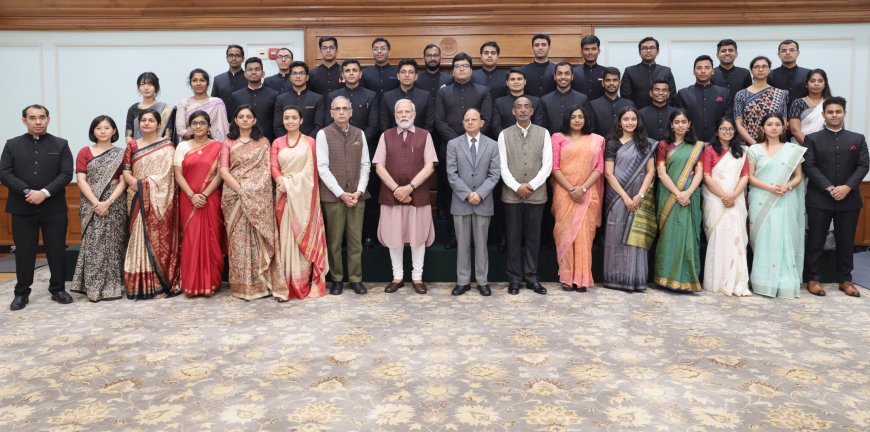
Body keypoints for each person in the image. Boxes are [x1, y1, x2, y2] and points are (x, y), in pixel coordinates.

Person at [1, 105, 74, 310]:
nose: (38, 122)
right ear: (24, 120)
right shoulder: (11, 145)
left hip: (54, 207)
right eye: (33, 118)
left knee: (56, 250)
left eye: (42, 117)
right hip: (21, 208)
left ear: (48, 119)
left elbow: (66, 174)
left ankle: (58, 289)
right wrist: (26, 191)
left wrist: (44, 193)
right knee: (24, 252)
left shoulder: (60, 144)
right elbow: (5, 173)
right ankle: (21, 293)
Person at [803, 97, 869, 297]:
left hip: (849, 199)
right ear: (823, 114)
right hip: (819, 198)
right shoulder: (812, 139)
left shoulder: (857, 139)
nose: (834, 115)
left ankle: (845, 280)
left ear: (844, 114)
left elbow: (864, 165)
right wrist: (830, 188)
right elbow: (809, 166)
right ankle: (813, 279)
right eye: (830, 112)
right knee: (815, 240)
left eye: (838, 112)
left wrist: (848, 187)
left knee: (845, 241)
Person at [220, 105, 285, 301]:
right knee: (238, 242)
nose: (245, 119)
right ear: (236, 120)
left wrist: (251, 191)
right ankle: (242, 286)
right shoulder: (229, 142)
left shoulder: (264, 142)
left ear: (255, 120)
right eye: (241, 116)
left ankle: (262, 284)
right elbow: (223, 171)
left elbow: (266, 172)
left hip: (259, 197)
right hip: (235, 197)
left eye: (249, 116)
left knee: (258, 240)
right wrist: (241, 190)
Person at [374, 99, 437, 294]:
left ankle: (417, 278)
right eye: (400, 112)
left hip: (417, 195)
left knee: (418, 237)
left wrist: (409, 188)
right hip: (391, 195)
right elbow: (378, 166)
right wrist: (396, 190)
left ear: (414, 115)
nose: (403, 115)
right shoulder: (386, 136)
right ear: (395, 116)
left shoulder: (425, 136)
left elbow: (430, 166)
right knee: (394, 237)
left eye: (407, 112)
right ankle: (398, 277)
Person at [435, 53, 493, 247]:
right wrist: (458, 142)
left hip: (479, 150)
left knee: (477, 188)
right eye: (457, 66)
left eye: (465, 66)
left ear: (471, 69)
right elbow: (439, 121)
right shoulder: (443, 92)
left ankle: (479, 239)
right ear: (452, 70)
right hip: (449, 149)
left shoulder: (483, 91)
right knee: (453, 192)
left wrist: (470, 139)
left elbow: (487, 120)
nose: (461, 69)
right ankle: (454, 236)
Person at [122, 108, 180, 299]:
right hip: (136, 197)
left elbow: (167, 176)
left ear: (158, 124)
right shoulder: (132, 145)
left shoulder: (167, 146)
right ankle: (139, 285)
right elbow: (126, 170)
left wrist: (143, 184)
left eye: (151, 120)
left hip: (159, 200)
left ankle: (159, 286)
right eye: (143, 120)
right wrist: (133, 182)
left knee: (158, 239)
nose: (146, 123)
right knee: (136, 237)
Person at [272, 106, 329, 300]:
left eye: (294, 118)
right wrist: (281, 180)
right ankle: (285, 284)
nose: (290, 121)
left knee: (303, 235)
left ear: (301, 120)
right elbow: (273, 166)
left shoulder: (310, 142)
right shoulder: (277, 142)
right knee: (286, 237)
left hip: (305, 198)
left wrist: (289, 183)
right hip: (283, 196)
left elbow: (312, 171)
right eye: (286, 118)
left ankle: (303, 283)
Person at [316, 96, 371, 295]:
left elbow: (365, 164)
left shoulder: (359, 133)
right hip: (333, 197)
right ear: (331, 112)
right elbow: (322, 167)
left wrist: (359, 191)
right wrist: (341, 193)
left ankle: (356, 279)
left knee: (356, 240)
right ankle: (337, 279)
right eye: (337, 109)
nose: (341, 112)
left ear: (351, 111)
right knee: (335, 240)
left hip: (357, 196)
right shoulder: (324, 134)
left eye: (344, 108)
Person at [747, 113, 806, 298]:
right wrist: (770, 187)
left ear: (784, 127)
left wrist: (787, 186)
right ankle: (762, 282)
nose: (773, 127)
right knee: (764, 239)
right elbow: (750, 177)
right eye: (769, 124)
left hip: (784, 198)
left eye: (777, 124)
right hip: (761, 198)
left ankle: (785, 283)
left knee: (784, 237)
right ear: (762, 128)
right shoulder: (754, 150)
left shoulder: (792, 149)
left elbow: (798, 176)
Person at [498, 97, 552, 295]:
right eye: (518, 107)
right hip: (511, 196)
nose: (522, 110)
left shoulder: (544, 133)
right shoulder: (504, 135)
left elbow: (547, 165)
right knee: (513, 238)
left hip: (536, 195)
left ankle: (531, 277)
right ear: (513, 112)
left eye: (526, 107)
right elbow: (502, 166)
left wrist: (531, 185)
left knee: (532, 239)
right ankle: (514, 279)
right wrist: (516, 187)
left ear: (532, 111)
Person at [70, 115, 127, 302]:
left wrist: (108, 202)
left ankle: (113, 287)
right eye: (98, 128)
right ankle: (93, 288)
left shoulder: (121, 153)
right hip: (90, 204)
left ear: (114, 131)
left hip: (115, 204)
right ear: (93, 131)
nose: (102, 131)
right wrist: (96, 203)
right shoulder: (85, 152)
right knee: (94, 246)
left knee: (113, 245)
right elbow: (81, 179)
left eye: (106, 128)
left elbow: (123, 181)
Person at [446, 108, 501, 296]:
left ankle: (482, 281)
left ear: (481, 123)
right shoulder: (453, 144)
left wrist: (480, 193)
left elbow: (494, 174)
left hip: (483, 201)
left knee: (481, 244)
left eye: (474, 119)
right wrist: (468, 194)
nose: (470, 122)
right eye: (466, 120)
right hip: (461, 201)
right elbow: (451, 175)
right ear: (462, 123)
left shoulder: (492, 145)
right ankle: (463, 281)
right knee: (462, 244)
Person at [602, 107, 657, 292]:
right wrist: (626, 197)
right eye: (626, 119)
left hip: (639, 197)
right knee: (615, 235)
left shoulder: (646, 144)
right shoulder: (612, 144)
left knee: (636, 238)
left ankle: (635, 278)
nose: (630, 122)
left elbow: (651, 171)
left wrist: (639, 196)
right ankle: (615, 278)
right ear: (620, 122)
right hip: (618, 198)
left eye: (633, 119)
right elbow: (609, 174)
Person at [327, 59, 380, 249]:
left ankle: (367, 236)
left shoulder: (370, 95)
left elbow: (374, 124)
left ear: (360, 73)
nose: (351, 73)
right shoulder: (334, 96)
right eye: (347, 70)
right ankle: (340, 239)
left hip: (363, 149)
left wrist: (358, 140)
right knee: (339, 195)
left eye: (354, 70)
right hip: (337, 153)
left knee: (365, 196)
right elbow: (330, 125)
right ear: (342, 74)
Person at [551, 105, 605, 292]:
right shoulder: (557, 138)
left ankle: (581, 278)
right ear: (567, 119)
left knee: (583, 236)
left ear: (585, 119)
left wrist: (582, 188)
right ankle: (567, 277)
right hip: (564, 194)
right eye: (573, 117)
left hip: (587, 193)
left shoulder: (595, 140)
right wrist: (571, 189)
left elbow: (599, 168)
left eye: (580, 117)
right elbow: (554, 167)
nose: (576, 120)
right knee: (565, 234)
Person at [174, 110, 226, 297]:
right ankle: (192, 284)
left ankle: (211, 282)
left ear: (209, 126)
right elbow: (178, 174)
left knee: (213, 239)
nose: (198, 126)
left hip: (210, 198)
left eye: (202, 123)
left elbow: (221, 173)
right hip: (189, 200)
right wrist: (192, 195)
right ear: (189, 126)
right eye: (194, 123)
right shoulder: (182, 147)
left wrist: (203, 194)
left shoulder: (218, 146)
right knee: (191, 240)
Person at [653, 109, 704, 292]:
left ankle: (687, 279)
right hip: (669, 196)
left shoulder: (698, 146)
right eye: (677, 122)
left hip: (690, 197)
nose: (680, 125)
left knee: (688, 236)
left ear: (689, 124)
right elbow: (661, 172)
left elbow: (699, 173)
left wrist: (688, 193)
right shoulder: (664, 145)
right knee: (668, 236)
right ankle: (665, 278)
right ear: (671, 124)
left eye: (684, 122)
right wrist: (678, 193)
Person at [700, 117, 751, 296]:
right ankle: (716, 281)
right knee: (717, 238)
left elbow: (745, 176)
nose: (727, 132)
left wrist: (734, 196)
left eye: (730, 129)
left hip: (735, 199)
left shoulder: (742, 151)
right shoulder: (708, 149)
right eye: (723, 129)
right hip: (715, 199)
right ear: (717, 131)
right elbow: (706, 176)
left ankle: (736, 280)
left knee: (735, 238)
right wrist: (723, 196)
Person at [734, 56, 788, 144]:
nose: (760, 69)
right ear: (751, 70)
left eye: (764, 66)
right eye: (756, 67)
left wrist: (771, 143)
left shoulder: (780, 94)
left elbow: (783, 121)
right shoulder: (741, 94)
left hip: (774, 144)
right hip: (749, 145)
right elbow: (738, 124)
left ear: (769, 70)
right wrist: (754, 145)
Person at [676, 55, 731, 142]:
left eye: (707, 67)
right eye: (699, 68)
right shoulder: (683, 93)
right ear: (694, 71)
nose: (703, 71)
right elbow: (679, 120)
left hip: (717, 142)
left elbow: (728, 118)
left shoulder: (724, 93)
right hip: (690, 142)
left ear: (712, 71)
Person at [231, 57, 280, 142]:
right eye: (250, 69)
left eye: (257, 69)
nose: (253, 72)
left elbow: (277, 122)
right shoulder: (236, 96)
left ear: (263, 73)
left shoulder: (274, 95)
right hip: (243, 141)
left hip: (268, 141)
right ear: (245, 74)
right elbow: (233, 121)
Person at [273, 61, 326, 138]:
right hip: (286, 145)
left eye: (301, 73)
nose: (298, 76)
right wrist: (288, 142)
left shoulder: (317, 98)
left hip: (310, 143)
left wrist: (307, 141)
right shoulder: (281, 99)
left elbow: (319, 126)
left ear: (307, 77)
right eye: (294, 73)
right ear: (290, 77)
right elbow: (278, 127)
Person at [175, 68, 230, 143]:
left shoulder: (217, 102)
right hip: (191, 145)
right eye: (194, 80)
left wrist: (207, 141)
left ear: (207, 83)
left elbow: (224, 127)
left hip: (214, 145)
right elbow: (180, 129)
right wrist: (197, 138)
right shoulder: (184, 103)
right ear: (190, 83)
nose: (198, 83)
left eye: (202, 80)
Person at [620, 37, 676, 109]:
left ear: (658, 51)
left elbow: (672, 96)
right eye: (644, 48)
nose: (648, 51)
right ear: (640, 52)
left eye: (652, 48)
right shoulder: (630, 71)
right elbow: (626, 98)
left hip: (663, 115)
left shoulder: (666, 71)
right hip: (637, 115)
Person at [381, 59, 436, 131]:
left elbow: (429, 124)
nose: (407, 75)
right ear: (398, 76)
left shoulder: (425, 96)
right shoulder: (387, 97)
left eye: (411, 72)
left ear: (416, 76)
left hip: (419, 140)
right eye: (403, 72)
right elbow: (384, 126)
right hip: (393, 140)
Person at [492, 68, 545, 138]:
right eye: (512, 79)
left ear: (525, 81)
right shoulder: (499, 102)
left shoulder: (536, 101)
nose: (516, 82)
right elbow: (496, 127)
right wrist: (508, 140)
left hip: (531, 143)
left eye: (519, 79)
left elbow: (539, 126)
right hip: (506, 142)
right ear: (507, 82)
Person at [125, 72, 176, 144]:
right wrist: (136, 150)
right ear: (139, 88)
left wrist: (153, 150)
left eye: (150, 84)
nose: (146, 88)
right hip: (137, 151)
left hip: (160, 151)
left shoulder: (166, 109)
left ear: (156, 87)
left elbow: (168, 136)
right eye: (142, 84)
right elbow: (128, 135)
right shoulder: (133, 109)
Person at [540, 62, 589, 134]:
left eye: (567, 73)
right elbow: (541, 127)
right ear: (554, 77)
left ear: (572, 77)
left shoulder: (583, 99)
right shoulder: (545, 100)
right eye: (559, 74)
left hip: (576, 143)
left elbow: (588, 126)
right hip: (551, 143)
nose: (563, 77)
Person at [788, 69, 832, 145]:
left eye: (820, 81)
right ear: (806, 84)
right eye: (812, 81)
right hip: (801, 146)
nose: (816, 84)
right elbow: (795, 130)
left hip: (826, 147)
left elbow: (836, 127)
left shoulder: (830, 103)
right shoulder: (798, 103)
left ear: (825, 84)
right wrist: (810, 148)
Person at [590, 67, 635, 137]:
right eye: (608, 80)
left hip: (625, 146)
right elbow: (591, 132)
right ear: (603, 83)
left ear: (619, 83)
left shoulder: (629, 104)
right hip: (601, 146)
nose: (611, 83)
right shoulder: (593, 105)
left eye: (615, 80)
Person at [768, 40, 810, 107]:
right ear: (778, 54)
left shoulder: (809, 74)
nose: (788, 53)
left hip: (805, 114)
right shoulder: (769, 74)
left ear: (798, 53)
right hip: (777, 115)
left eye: (792, 50)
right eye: (784, 51)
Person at [212, 44, 247, 122]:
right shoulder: (218, 79)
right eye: (230, 55)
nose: (234, 58)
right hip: (223, 122)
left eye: (237, 55)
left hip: (245, 121)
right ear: (227, 58)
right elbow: (214, 103)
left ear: (243, 58)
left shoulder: (249, 78)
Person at [711, 39, 752, 108]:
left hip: (740, 116)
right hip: (716, 116)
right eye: (723, 51)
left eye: (730, 50)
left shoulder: (745, 73)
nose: (727, 53)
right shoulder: (710, 73)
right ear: (717, 55)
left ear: (736, 54)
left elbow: (749, 97)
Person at [572, 35, 607, 100]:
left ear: (599, 51)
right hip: (579, 109)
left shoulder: (606, 72)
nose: (590, 52)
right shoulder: (573, 72)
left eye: (593, 49)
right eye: (586, 49)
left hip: (600, 109)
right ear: (581, 52)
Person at [523, 33, 557, 98]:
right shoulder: (523, 70)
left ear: (549, 47)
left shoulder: (557, 70)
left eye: (544, 45)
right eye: (537, 45)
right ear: (532, 48)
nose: (540, 48)